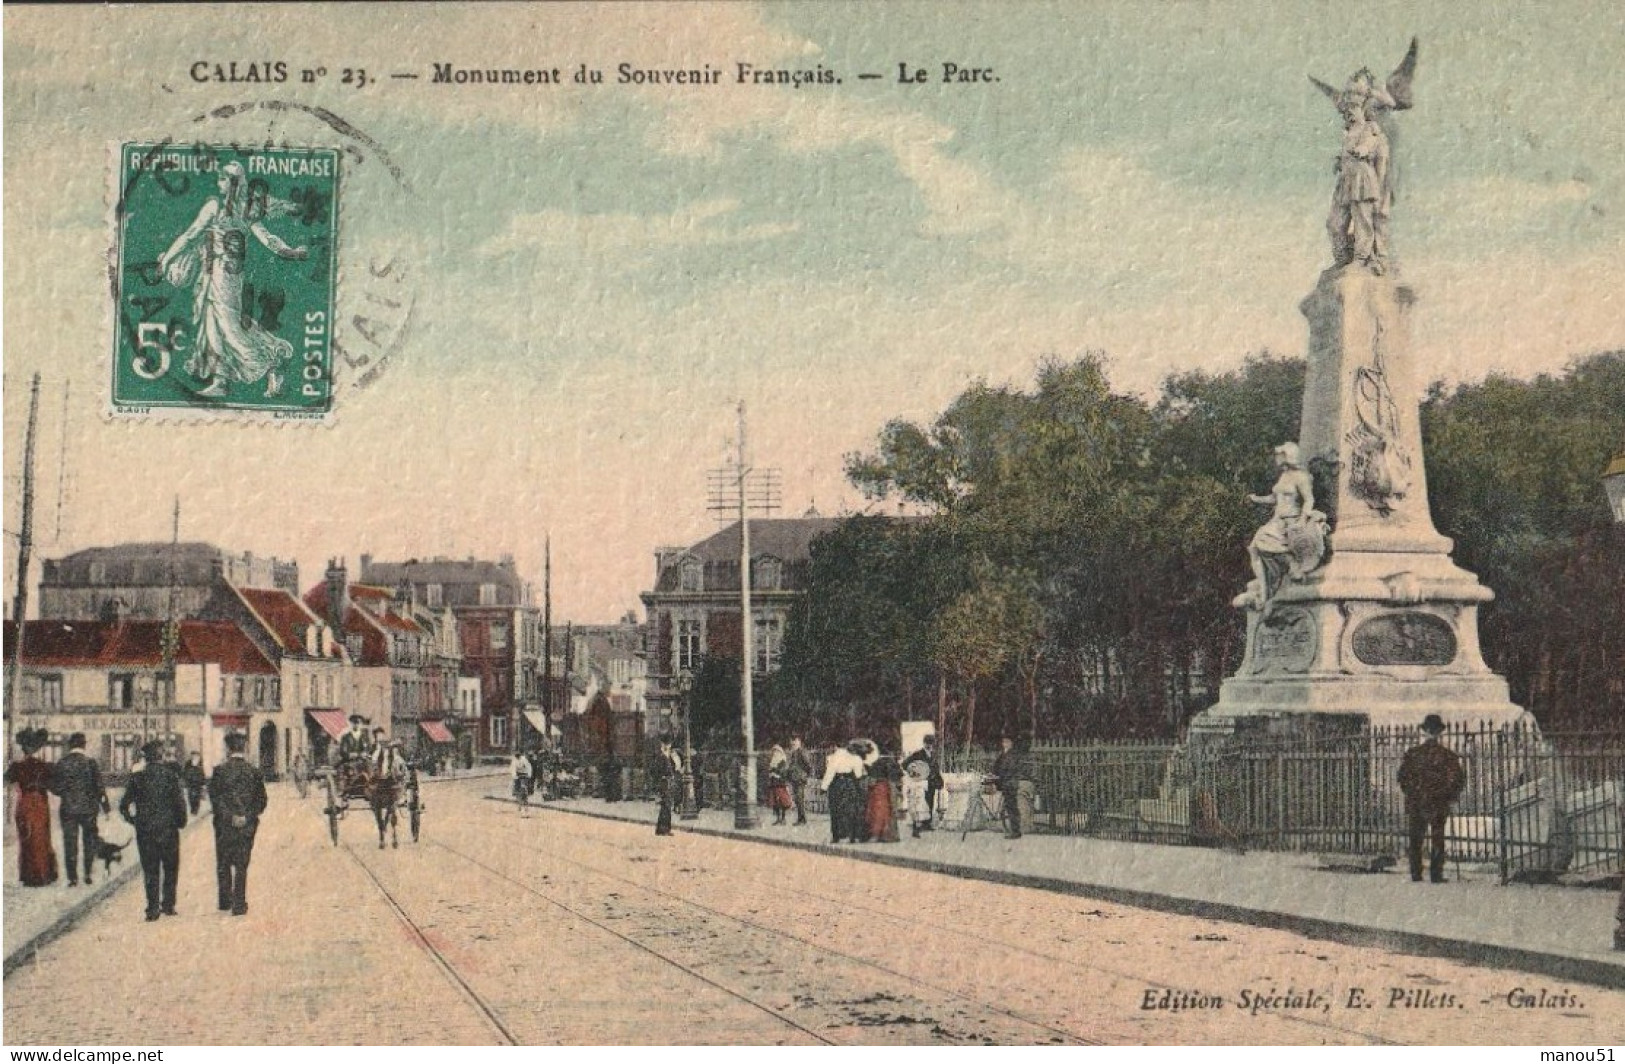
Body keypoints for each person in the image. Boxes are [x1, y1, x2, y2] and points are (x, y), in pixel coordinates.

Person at [157, 159, 309, 398]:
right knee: (214, 325)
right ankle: (222, 381)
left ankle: (272, 361)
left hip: (224, 275)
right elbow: (267, 237)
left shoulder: (217, 207)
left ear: (233, 183)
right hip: (218, 274)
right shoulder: (245, 208)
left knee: (229, 326)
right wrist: (288, 251)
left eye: (223, 179)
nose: (219, 183)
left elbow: (190, 236)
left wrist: (167, 261)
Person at [1244, 442, 1327, 607]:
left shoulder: (1301, 477)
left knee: (1265, 545)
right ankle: (1264, 589)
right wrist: (1256, 499)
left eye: (1279, 455)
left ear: (1288, 456)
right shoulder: (1284, 475)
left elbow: (1309, 499)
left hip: (1291, 519)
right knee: (1254, 548)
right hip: (1277, 520)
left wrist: (1303, 520)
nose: (1276, 458)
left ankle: (1291, 566)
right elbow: (1275, 499)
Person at [120, 738, 188, 920]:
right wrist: (181, 822)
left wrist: (134, 821)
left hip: (146, 831)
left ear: (146, 758)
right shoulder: (171, 777)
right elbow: (180, 805)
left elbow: (123, 805)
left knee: (150, 869)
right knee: (170, 867)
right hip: (168, 830)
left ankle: (152, 909)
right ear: (160, 756)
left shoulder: (137, 778)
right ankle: (168, 905)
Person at [1398, 714, 1465, 883]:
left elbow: (1402, 778)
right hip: (1438, 802)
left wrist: (1413, 793)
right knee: (1437, 838)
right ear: (1440, 733)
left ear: (1424, 732)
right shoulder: (1448, 756)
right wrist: (1449, 796)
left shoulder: (1413, 754)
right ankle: (1436, 874)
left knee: (1416, 838)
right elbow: (1457, 780)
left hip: (1417, 802)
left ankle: (1416, 873)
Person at [208, 731, 267, 916]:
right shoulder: (254, 772)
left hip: (224, 826)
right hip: (247, 827)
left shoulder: (219, 771)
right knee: (242, 865)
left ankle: (225, 901)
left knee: (223, 862)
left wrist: (230, 816)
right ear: (244, 748)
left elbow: (215, 800)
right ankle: (239, 904)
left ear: (227, 749)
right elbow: (262, 801)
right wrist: (246, 817)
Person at [50, 732, 110, 887]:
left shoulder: (62, 763)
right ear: (84, 745)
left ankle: (72, 878)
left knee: (70, 843)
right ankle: (88, 874)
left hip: (68, 809)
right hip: (89, 809)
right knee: (89, 841)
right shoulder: (91, 763)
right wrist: (106, 808)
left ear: (70, 745)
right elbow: (99, 787)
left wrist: (65, 793)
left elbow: (55, 787)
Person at [6, 728, 59, 887]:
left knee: (27, 837)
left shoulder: (17, 766)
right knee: (41, 837)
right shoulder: (44, 766)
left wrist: (18, 785)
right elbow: (53, 785)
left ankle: (30, 875)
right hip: (40, 802)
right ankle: (43, 874)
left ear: (24, 748)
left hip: (25, 802)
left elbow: (6, 780)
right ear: (37, 748)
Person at [821, 741, 867, 844]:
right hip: (851, 784)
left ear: (835, 746)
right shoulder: (854, 757)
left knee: (836, 810)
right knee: (851, 810)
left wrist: (823, 787)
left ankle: (837, 836)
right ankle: (853, 836)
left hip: (837, 784)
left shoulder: (834, 757)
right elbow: (859, 774)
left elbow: (830, 773)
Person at [991, 736, 1035, 840]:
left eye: (1007, 742)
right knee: (1010, 807)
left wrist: (999, 776)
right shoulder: (1004, 755)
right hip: (1006, 783)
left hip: (1010, 783)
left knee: (1012, 808)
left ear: (1011, 743)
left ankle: (1015, 831)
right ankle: (1014, 830)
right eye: (1003, 742)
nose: (1004, 744)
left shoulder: (1012, 755)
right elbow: (997, 767)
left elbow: (1009, 769)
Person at [901, 733, 943, 833]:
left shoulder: (933, 754)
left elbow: (936, 769)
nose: (929, 745)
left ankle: (927, 823)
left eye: (931, 743)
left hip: (931, 782)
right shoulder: (918, 754)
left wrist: (940, 780)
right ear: (924, 743)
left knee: (930, 802)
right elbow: (905, 764)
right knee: (920, 802)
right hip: (921, 783)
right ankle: (918, 823)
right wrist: (915, 774)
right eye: (927, 743)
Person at [862, 744, 900, 844]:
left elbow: (871, 779)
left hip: (878, 789)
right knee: (888, 810)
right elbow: (898, 777)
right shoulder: (892, 762)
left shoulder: (876, 763)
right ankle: (888, 834)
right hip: (888, 788)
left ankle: (876, 834)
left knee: (877, 811)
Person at [652, 735, 682, 836]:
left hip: (667, 781)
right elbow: (656, 771)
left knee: (666, 805)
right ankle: (663, 828)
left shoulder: (667, 755)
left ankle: (663, 828)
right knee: (666, 805)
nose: (669, 747)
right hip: (664, 782)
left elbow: (675, 766)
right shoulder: (661, 756)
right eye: (668, 745)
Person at [786, 736, 814, 826]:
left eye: (795, 742)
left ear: (799, 742)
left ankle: (802, 820)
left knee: (799, 799)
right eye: (792, 742)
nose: (793, 744)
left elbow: (808, 765)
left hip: (800, 779)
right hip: (795, 779)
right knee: (798, 800)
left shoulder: (801, 752)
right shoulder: (794, 753)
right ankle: (800, 819)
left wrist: (806, 776)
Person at [765, 743, 793, 825]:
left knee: (782, 801)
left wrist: (774, 772)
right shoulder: (773, 761)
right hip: (773, 783)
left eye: (776, 751)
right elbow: (770, 771)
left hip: (780, 783)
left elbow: (782, 772)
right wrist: (772, 772)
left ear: (780, 752)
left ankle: (783, 819)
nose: (775, 753)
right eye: (774, 752)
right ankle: (778, 818)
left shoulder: (782, 761)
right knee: (775, 802)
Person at [181, 751, 207, 816]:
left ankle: (195, 810)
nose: (194, 757)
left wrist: (203, 783)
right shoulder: (188, 763)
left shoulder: (200, 763)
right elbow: (185, 772)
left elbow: (202, 773)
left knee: (197, 797)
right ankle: (193, 809)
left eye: (196, 756)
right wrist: (185, 780)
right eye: (193, 755)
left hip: (198, 783)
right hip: (190, 782)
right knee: (191, 796)